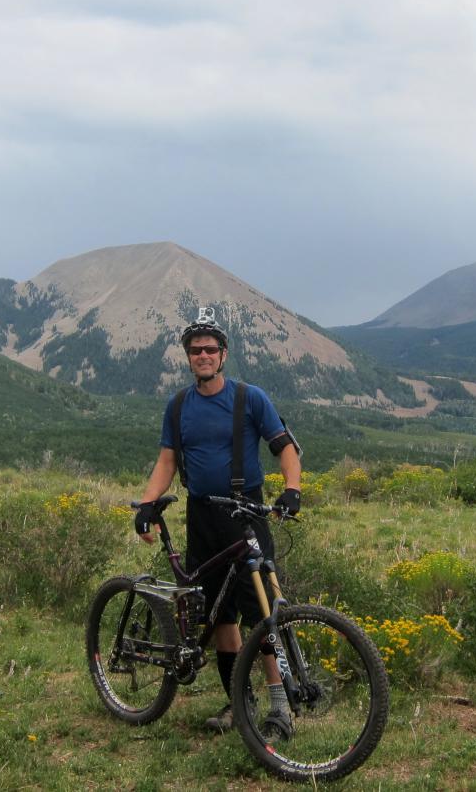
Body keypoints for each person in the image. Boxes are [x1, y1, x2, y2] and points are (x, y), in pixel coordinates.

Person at [134, 306, 302, 735]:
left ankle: (280, 705)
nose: (203, 356)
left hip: (245, 512)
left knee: (262, 609)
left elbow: (284, 446)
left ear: (223, 354)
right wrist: (147, 505)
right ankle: (237, 703)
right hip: (202, 515)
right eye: (195, 350)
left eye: (210, 349)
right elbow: (167, 460)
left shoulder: (250, 398)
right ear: (188, 357)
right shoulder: (178, 407)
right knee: (221, 616)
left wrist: (292, 489)